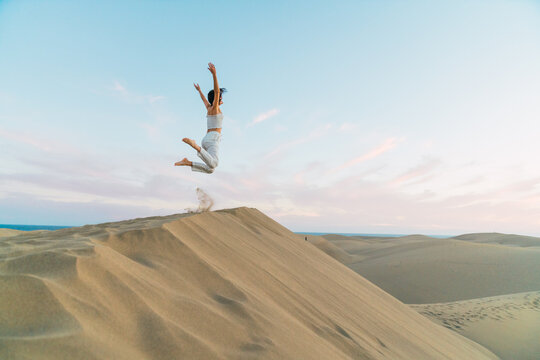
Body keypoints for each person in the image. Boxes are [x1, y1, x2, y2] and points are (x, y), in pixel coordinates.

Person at [175, 62, 226, 174]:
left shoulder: (209, 108)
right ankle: (195, 146)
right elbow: (216, 92)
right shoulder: (215, 109)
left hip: (207, 139)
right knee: (215, 164)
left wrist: (199, 91)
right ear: (217, 99)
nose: (222, 98)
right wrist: (214, 75)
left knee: (210, 169)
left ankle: (188, 163)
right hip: (212, 139)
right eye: (220, 97)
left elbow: (204, 99)